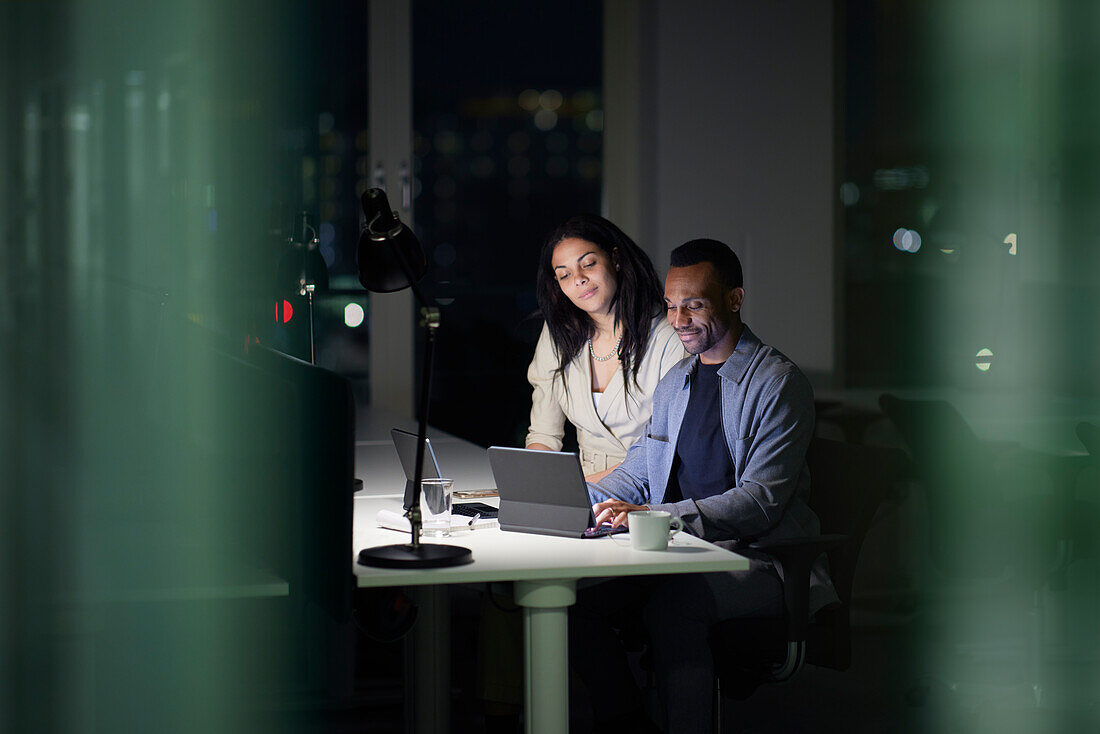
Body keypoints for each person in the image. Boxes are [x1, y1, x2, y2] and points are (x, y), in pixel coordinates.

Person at [572, 238, 838, 734]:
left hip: (761, 561)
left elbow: (760, 502)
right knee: (578, 603)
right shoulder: (677, 380)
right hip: (678, 548)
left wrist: (657, 518)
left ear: (734, 299)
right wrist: (577, 499)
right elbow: (641, 470)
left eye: (694, 304)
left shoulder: (779, 383)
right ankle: (627, 721)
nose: (679, 320)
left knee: (675, 606)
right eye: (672, 306)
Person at [526, 214, 686, 481]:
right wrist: (537, 486)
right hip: (583, 494)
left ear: (615, 258)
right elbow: (544, 434)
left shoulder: (669, 335)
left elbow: (667, 447)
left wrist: (577, 488)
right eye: (564, 275)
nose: (579, 279)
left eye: (588, 264)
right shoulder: (558, 333)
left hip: (649, 494)